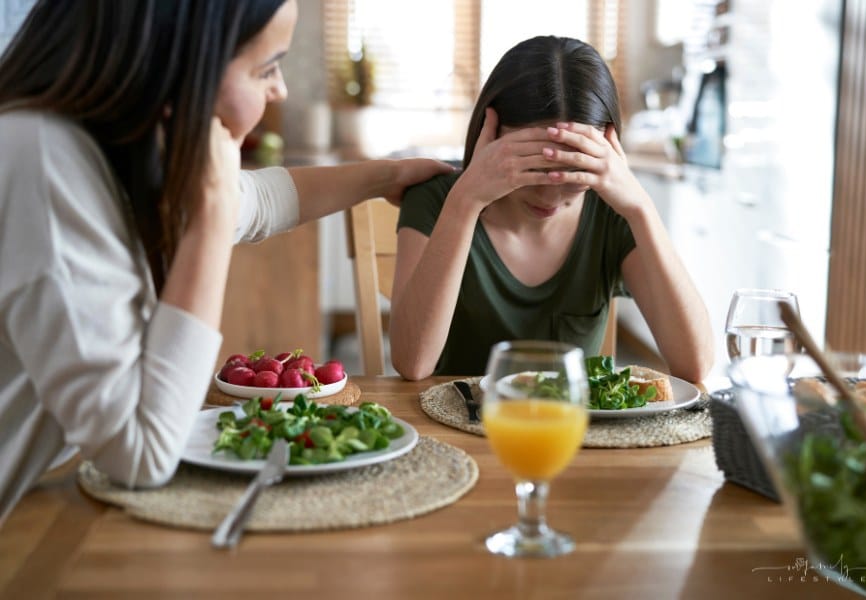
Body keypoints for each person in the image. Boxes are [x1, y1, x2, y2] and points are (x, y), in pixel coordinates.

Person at [0, 0, 452, 523]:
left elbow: (258, 199)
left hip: (46, 493)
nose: (279, 89)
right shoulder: (45, 165)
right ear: (184, 62)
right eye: (266, 68)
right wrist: (209, 228)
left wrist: (385, 177)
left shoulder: (99, 144)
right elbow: (141, 455)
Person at [390, 36, 714, 382]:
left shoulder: (614, 213)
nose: (549, 195)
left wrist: (641, 209)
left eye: (573, 172)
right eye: (531, 168)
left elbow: (695, 364)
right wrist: (464, 203)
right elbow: (413, 363)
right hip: (455, 428)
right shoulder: (438, 200)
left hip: (573, 432)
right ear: (491, 136)